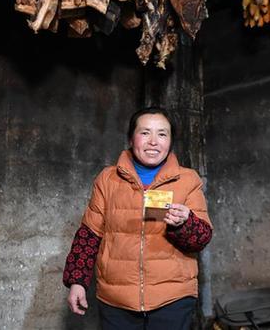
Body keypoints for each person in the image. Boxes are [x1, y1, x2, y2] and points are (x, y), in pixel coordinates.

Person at [63, 106, 213, 330]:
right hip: (116, 300)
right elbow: (89, 235)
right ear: (131, 138)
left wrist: (185, 223)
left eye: (162, 134)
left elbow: (202, 238)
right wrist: (77, 282)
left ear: (170, 141)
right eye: (145, 132)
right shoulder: (108, 179)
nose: (153, 141)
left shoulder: (188, 180)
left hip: (173, 298)